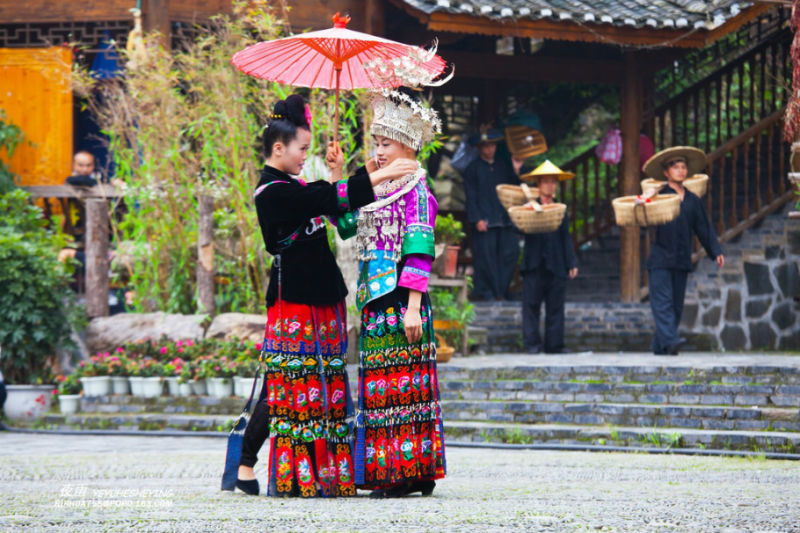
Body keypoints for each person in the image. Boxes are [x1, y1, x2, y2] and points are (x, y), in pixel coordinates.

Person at [236, 94, 417, 497]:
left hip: (324, 297)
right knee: (290, 383)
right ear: (278, 148)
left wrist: (355, 171)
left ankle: (319, 472)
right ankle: (254, 464)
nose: (305, 156)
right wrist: (379, 175)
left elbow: (332, 204)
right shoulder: (272, 193)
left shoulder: (296, 185)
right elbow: (326, 198)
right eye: (302, 149)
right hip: (295, 301)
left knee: (323, 385)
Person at [340, 89, 446, 498]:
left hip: (402, 301)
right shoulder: (380, 190)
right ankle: (407, 471)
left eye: (384, 144)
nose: (379, 151)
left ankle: (405, 474)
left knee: (405, 389)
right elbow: (346, 226)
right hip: (375, 300)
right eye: (375, 143)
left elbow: (420, 252)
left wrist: (415, 308)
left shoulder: (417, 193)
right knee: (384, 386)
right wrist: (343, 177)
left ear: (407, 145)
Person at [643, 147, 724, 355]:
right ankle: (670, 340)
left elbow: (703, 228)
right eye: (675, 167)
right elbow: (641, 218)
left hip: (681, 259)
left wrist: (715, 251)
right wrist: (645, 199)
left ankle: (660, 346)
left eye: (683, 167)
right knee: (663, 303)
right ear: (666, 172)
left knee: (676, 306)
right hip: (660, 258)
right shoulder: (658, 195)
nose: (680, 170)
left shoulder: (692, 200)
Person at [519, 161, 578, 354]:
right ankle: (533, 345)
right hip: (534, 263)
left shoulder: (560, 207)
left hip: (557, 263)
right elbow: (514, 227)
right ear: (538, 184)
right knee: (531, 307)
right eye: (546, 182)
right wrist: (525, 213)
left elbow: (565, 237)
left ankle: (555, 346)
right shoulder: (528, 206)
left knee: (555, 307)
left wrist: (571, 262)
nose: (550, 186)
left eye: (553, 182)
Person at [462, 128, 521, 300]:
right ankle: (487, 292)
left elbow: (515, 189)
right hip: (484, 220)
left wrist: (517, 170)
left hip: (504, 219)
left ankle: (503, 290)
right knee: (485, 258)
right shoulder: (472, 169)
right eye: (485, 146)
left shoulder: (504, 165)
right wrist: (477, 218)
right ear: (479, 148)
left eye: (492, 146)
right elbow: (470, 197)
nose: (489, 149)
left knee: (510, 254)